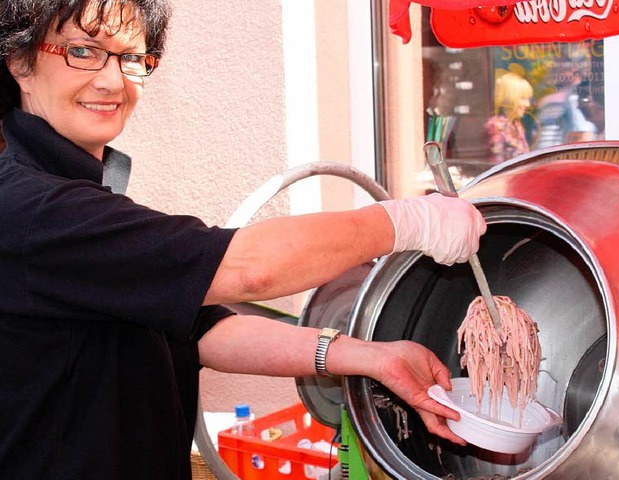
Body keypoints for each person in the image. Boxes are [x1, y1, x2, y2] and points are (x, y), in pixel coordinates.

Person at [0, 1, 486, 479]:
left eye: (132, 57)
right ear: (19, 60)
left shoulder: (73, 195)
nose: (112, 81)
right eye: (82, 52)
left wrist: (370, 356)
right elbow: (247, 267)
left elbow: (205, 329)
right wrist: (406, 222)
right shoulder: (32, 207)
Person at [485, 72, 533, 163]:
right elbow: (496, 166)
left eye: (528, 99)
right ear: (509, 99)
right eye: (523, 98)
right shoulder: (496, 126)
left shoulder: (516, 125)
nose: (528, 104)